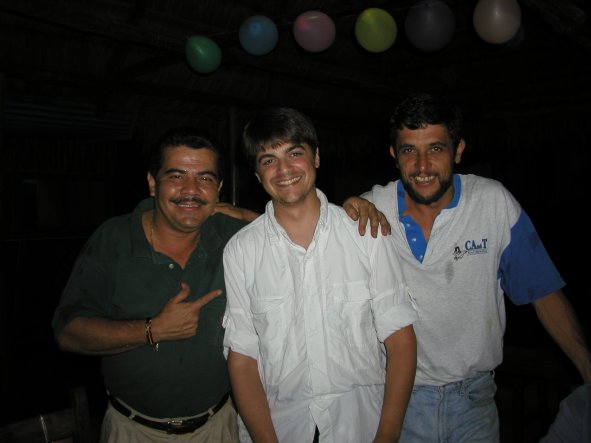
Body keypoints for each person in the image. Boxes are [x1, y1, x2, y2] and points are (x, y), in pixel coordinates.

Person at [344, 92, 591, 442]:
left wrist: (586, 366)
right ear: (393, 155)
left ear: (458, 150)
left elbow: (543, 292)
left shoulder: (493, 203)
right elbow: (308, 239)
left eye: (436, 148)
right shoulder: (371, 210)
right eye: (409, 150)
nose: (423, 165)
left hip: (473, 404)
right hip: (397, 402)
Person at [222, 107, 418, 443]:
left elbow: (400, 339)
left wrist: (387, 434)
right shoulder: (241, 251)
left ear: (316, 158)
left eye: (294, 153)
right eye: (268, 160)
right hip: (281, 429)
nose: (283, 169)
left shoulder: (365, 233)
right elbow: (242, 358)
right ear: (256, 175)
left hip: (361, 425)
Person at [52, 127, 253, 442]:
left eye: (205, 178)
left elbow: (291, 233)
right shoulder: (115, 239)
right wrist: (152, 330)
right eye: (176, 176)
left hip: (219, 426)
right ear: (151, 183)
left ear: (219, 189)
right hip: (133, 429)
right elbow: (68, 332)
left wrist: (242, 213)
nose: (191, 190)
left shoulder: (232, 236)